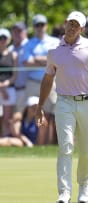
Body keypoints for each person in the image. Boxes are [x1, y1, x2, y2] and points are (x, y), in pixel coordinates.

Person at [35, 11, 88, 203]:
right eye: (70, 23)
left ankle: (84, 188)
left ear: (82, 28)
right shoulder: (54, 49)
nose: (73, 27)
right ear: (65, 24)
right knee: (65, 147)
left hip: (87, 102)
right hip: (64, 102)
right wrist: (40, 106)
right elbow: (48, 79)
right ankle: (64, 193)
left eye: (77, 25)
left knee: (85, 149)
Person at [20, 14, 60, 145]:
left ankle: (44, 146)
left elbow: (56, 61)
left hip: (50, 82)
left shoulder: (54, 41)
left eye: (42, 24)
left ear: (46, 26)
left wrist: (37, 59)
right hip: (33, 83)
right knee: (32, 115)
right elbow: (27, 62)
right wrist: (46, 59)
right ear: (34, 27)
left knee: (48, 115)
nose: (40, 27)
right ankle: (35, 145)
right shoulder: (29, 43)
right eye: (37, 25)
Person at [8, 22, 29, 114]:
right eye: (15, 31)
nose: (17, 33)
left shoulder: (30, 46)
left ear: (25, 32)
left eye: (20, 31)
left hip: (28, 90)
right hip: (11, 91)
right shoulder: (9, 49)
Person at [0, 28, 18, 137]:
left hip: (9, 89)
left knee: (7, 118)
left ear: (8, 39)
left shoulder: (13, 55)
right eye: (0, 38)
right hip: (2, 89)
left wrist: (5, 85)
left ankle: (5, 140)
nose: (2, 40)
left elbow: (15, 75)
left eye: (4, 38)